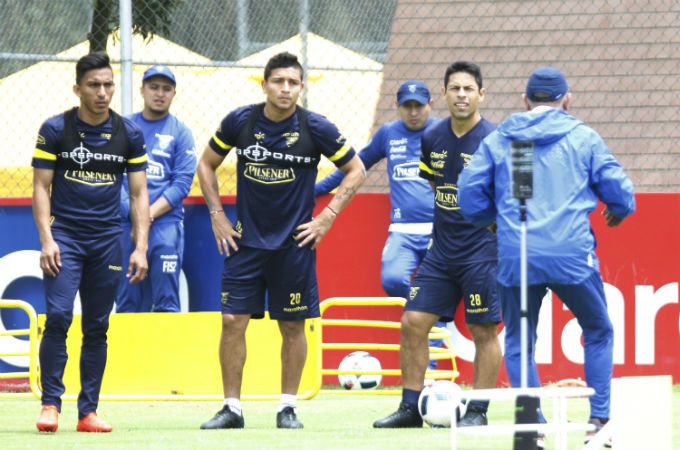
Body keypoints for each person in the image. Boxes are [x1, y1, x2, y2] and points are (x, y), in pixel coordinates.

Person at [459, 67, 636, 445]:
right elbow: (620, 192)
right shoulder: (584, 137)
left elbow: (468, 195)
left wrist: (493, 223)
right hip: (571, 254)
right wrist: (618, 210)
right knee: (598, 330)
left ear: (526, 101)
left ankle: (531, 427)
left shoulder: (503, 139)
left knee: (520, 340)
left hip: (517, 253)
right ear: (567, 101)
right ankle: (598, 424)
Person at [196, 52, 365, 430]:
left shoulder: (315, 127)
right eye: (279, 81)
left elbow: (356, 170)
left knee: (292, 326)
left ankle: (287, 407)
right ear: (265, 84)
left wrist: (326, 217)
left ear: (301, 87)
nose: (286, 89)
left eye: (293, 82)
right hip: (245, 244)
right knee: (232, 320)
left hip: (294, 247)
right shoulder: (241, 121)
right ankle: (231, 409)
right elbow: (205, 164)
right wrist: (217, 215)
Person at [373, 61, 501, 428]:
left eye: (468, 89)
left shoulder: (494, 140)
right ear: (443, 94)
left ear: (481, 94)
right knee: (413, 321)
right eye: (455, 88)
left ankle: (477, 411)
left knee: (483, 330)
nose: (461, 95)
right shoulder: (431, 138)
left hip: (481, 252)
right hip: (441, 251)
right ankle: (410, 409)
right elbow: (435, 185)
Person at [32, 51, 150, 433]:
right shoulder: (55, 129)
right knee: (60, 316)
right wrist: (47, 239)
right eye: (94, 85)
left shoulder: (129, 134)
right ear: (77, 88)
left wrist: (141, 246)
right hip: (65, 238)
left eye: (108, 85)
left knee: (97, 325)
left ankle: (88, 413)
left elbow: (138, 195)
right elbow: (41, 186)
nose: (102, 93)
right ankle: (50, 405)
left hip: (107, 242)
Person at [315, 80, 447, 367]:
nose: (413, 112)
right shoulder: (388, 133)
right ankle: (433, 323)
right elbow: (356, 166)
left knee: (436, 289)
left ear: (431, 105)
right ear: (397, 107)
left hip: (441, 231)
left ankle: (432, 366)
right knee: (392, 279)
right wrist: (316, 190)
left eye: (419, 106)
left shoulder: (444, 131)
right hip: (402, 230)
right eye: (407, 106)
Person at [117, 65, 196, 313]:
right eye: (153, 87)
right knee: (126, 300)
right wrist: (135, 216)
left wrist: (147, 216)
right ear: (142, 91)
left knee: (166, 301)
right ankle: (125, 352)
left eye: (166, 88)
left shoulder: (182, 133)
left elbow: (181, 185)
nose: (159, 93)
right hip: (125, 221)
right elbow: (114, 178)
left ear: (174, 93)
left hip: (165, 223)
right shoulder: (124, 127)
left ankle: (167, 351)